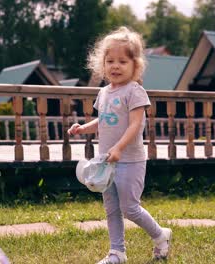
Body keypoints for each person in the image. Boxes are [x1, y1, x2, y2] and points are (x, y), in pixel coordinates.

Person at [67, 26, 172, 264]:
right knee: (111, 209)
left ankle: (160, 235)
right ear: (102, 64)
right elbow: (103, 119)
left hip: (130, 161)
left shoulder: (135, 92)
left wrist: (119, 148)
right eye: (110, 60)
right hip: (107, 162)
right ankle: (117, 253)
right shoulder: (103, 93)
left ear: (135, 66)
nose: (115, 66)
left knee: (130, 208)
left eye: (122, 61)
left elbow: (135, 125)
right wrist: (84, 128)